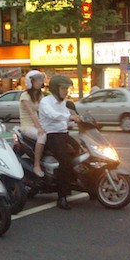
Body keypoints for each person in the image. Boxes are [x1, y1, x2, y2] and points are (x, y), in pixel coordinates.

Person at [39, 75, 81, 210]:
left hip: (63, 134)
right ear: (55, 89)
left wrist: (79, 119)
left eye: (67, 88)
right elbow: (52, 115)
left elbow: (67, 118)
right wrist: (70, 117)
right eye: (63, 88)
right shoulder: (46, 102)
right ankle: (61, 196)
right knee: (65, 160)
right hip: (51, 135)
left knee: (80, 152)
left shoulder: (64, 102)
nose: (66, 91)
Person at [19, 70, 47, 178]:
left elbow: (46, 110)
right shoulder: (25, 96)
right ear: (30, 82)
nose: (40, 82)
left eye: (41, 79)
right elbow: (32, 114)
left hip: (37, 124)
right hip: (27, 126)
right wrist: (39, 127)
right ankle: (37, 164)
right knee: (42, 135)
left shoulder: (40, 95)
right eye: (37, 80)